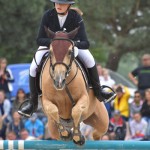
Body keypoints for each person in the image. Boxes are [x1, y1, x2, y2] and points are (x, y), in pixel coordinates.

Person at [18, 0, 115, 117]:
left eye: (62, 4)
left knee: (89, 60)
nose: (59, 6)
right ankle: (32, 103)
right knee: (33, 67)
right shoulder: (48, 15)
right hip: (50, 47)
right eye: (57, 3)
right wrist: (55, 43)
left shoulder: (76, 17)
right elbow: (39, 39)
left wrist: (70, 44)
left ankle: (99, 91)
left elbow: (85, 43)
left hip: (71, 47)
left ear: (69, 5)